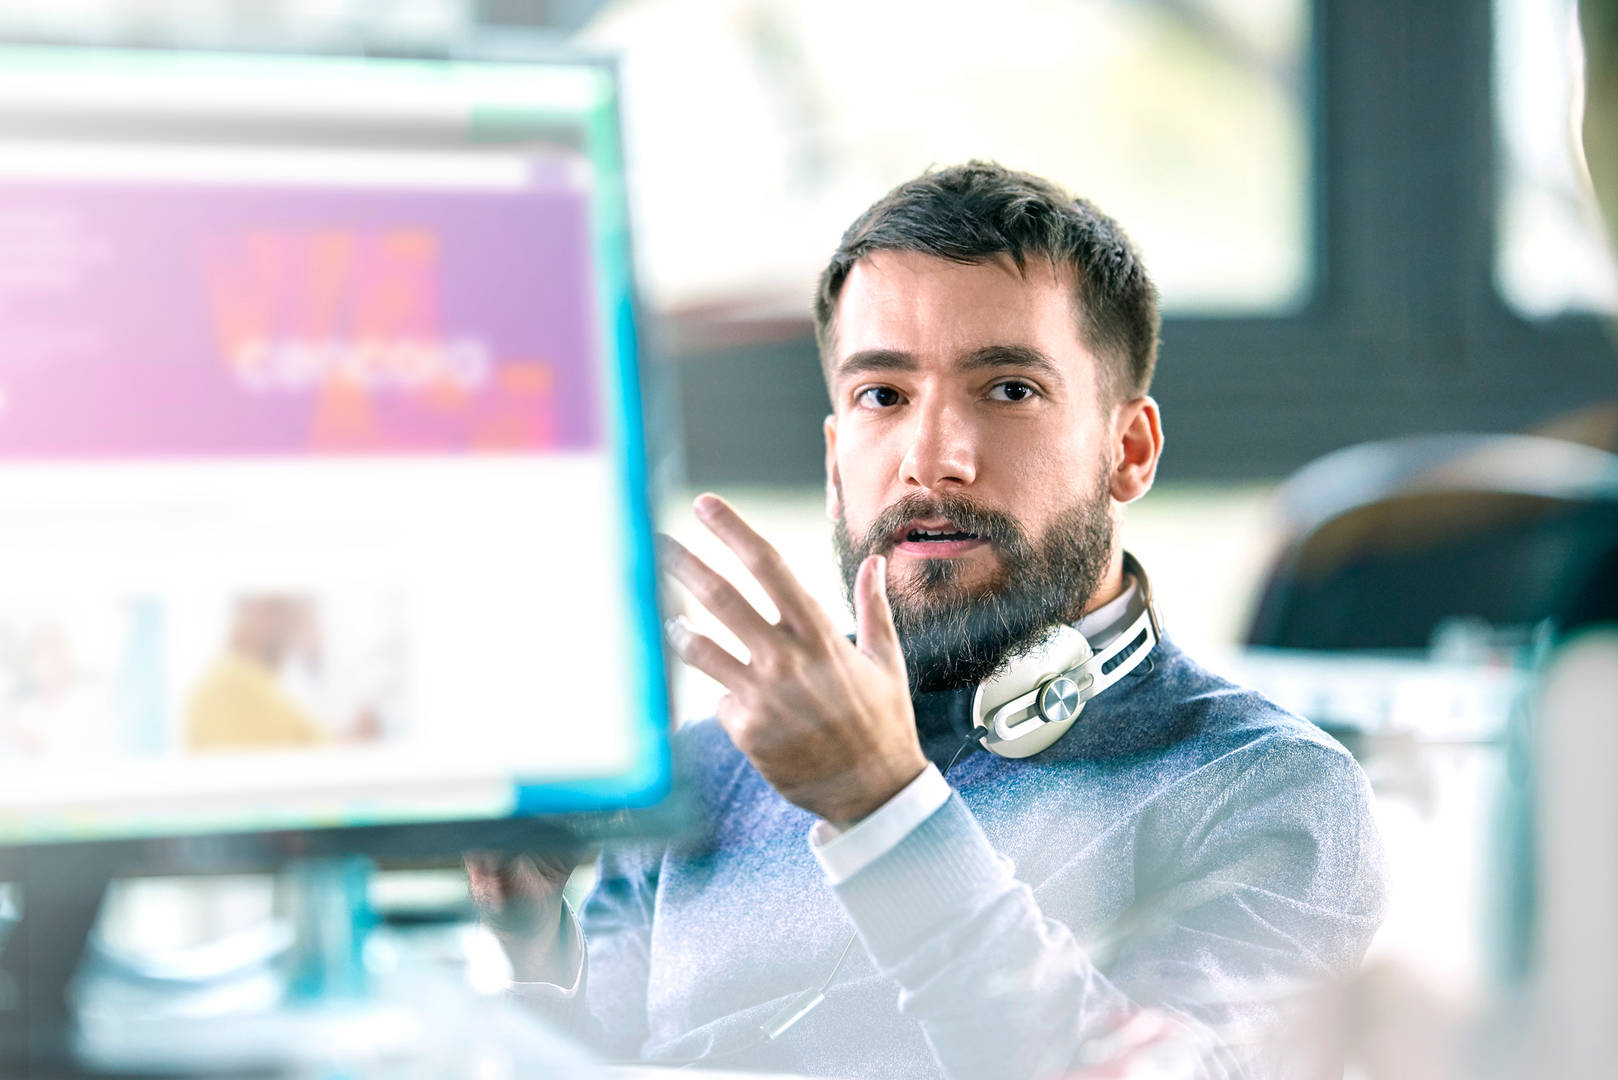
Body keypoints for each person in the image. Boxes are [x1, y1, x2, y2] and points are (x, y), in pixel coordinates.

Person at [467, 162, 1386, 1078]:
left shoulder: (1275, 792)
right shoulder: (708, 773)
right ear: (836, 460)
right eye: (883, 396)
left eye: (1009, 389)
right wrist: (533, 946)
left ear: (1129, 450)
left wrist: (883, 811)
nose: (931, 459)